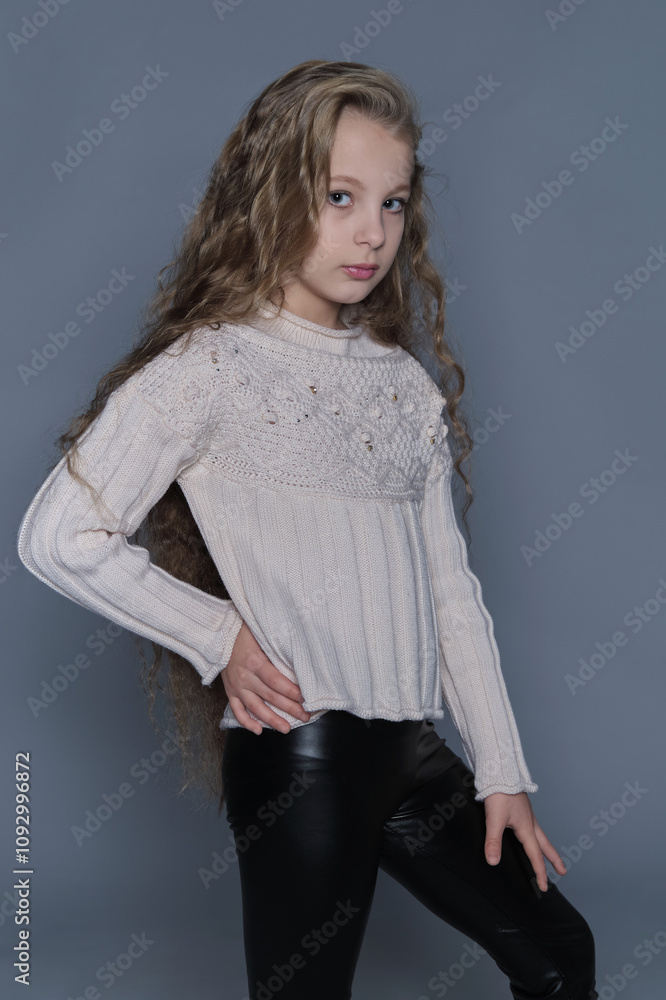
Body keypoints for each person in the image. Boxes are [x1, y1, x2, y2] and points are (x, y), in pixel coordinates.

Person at [16, 59, 599, 999]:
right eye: (339, 197)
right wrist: (218, 637)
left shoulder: (403, 387)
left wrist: (501, 771)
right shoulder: (209, 369)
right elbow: (58, 536)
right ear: (271, 195)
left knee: (561, 953)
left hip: (414, 754)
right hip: (305, 759)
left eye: (393, 203)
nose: (372, 233)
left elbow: (450, 592)